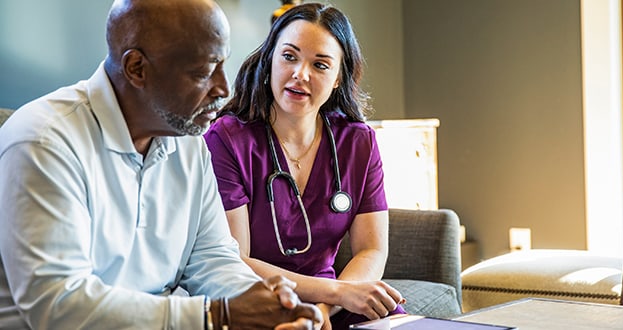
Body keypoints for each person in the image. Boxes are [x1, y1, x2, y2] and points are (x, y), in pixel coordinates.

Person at [0, 0, 322, 329]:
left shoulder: (188, 140)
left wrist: (263, 304)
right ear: (137, 68)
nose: (223, 89)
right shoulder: (44, 140)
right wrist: (216, 315)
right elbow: (58, 304)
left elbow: (212, 258)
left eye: (223, 66)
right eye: (203, 73)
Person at [204, 3, 405, 329]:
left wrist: (325, 309)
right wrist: (336, 292)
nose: (300, 74)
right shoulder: (227, 140)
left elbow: (370, 250)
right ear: (270, 58)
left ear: (339, 77)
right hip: (258, 300)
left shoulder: (358, 142)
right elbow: (234, 261)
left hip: (334, 305)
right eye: (289, 56)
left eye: (320, 64)